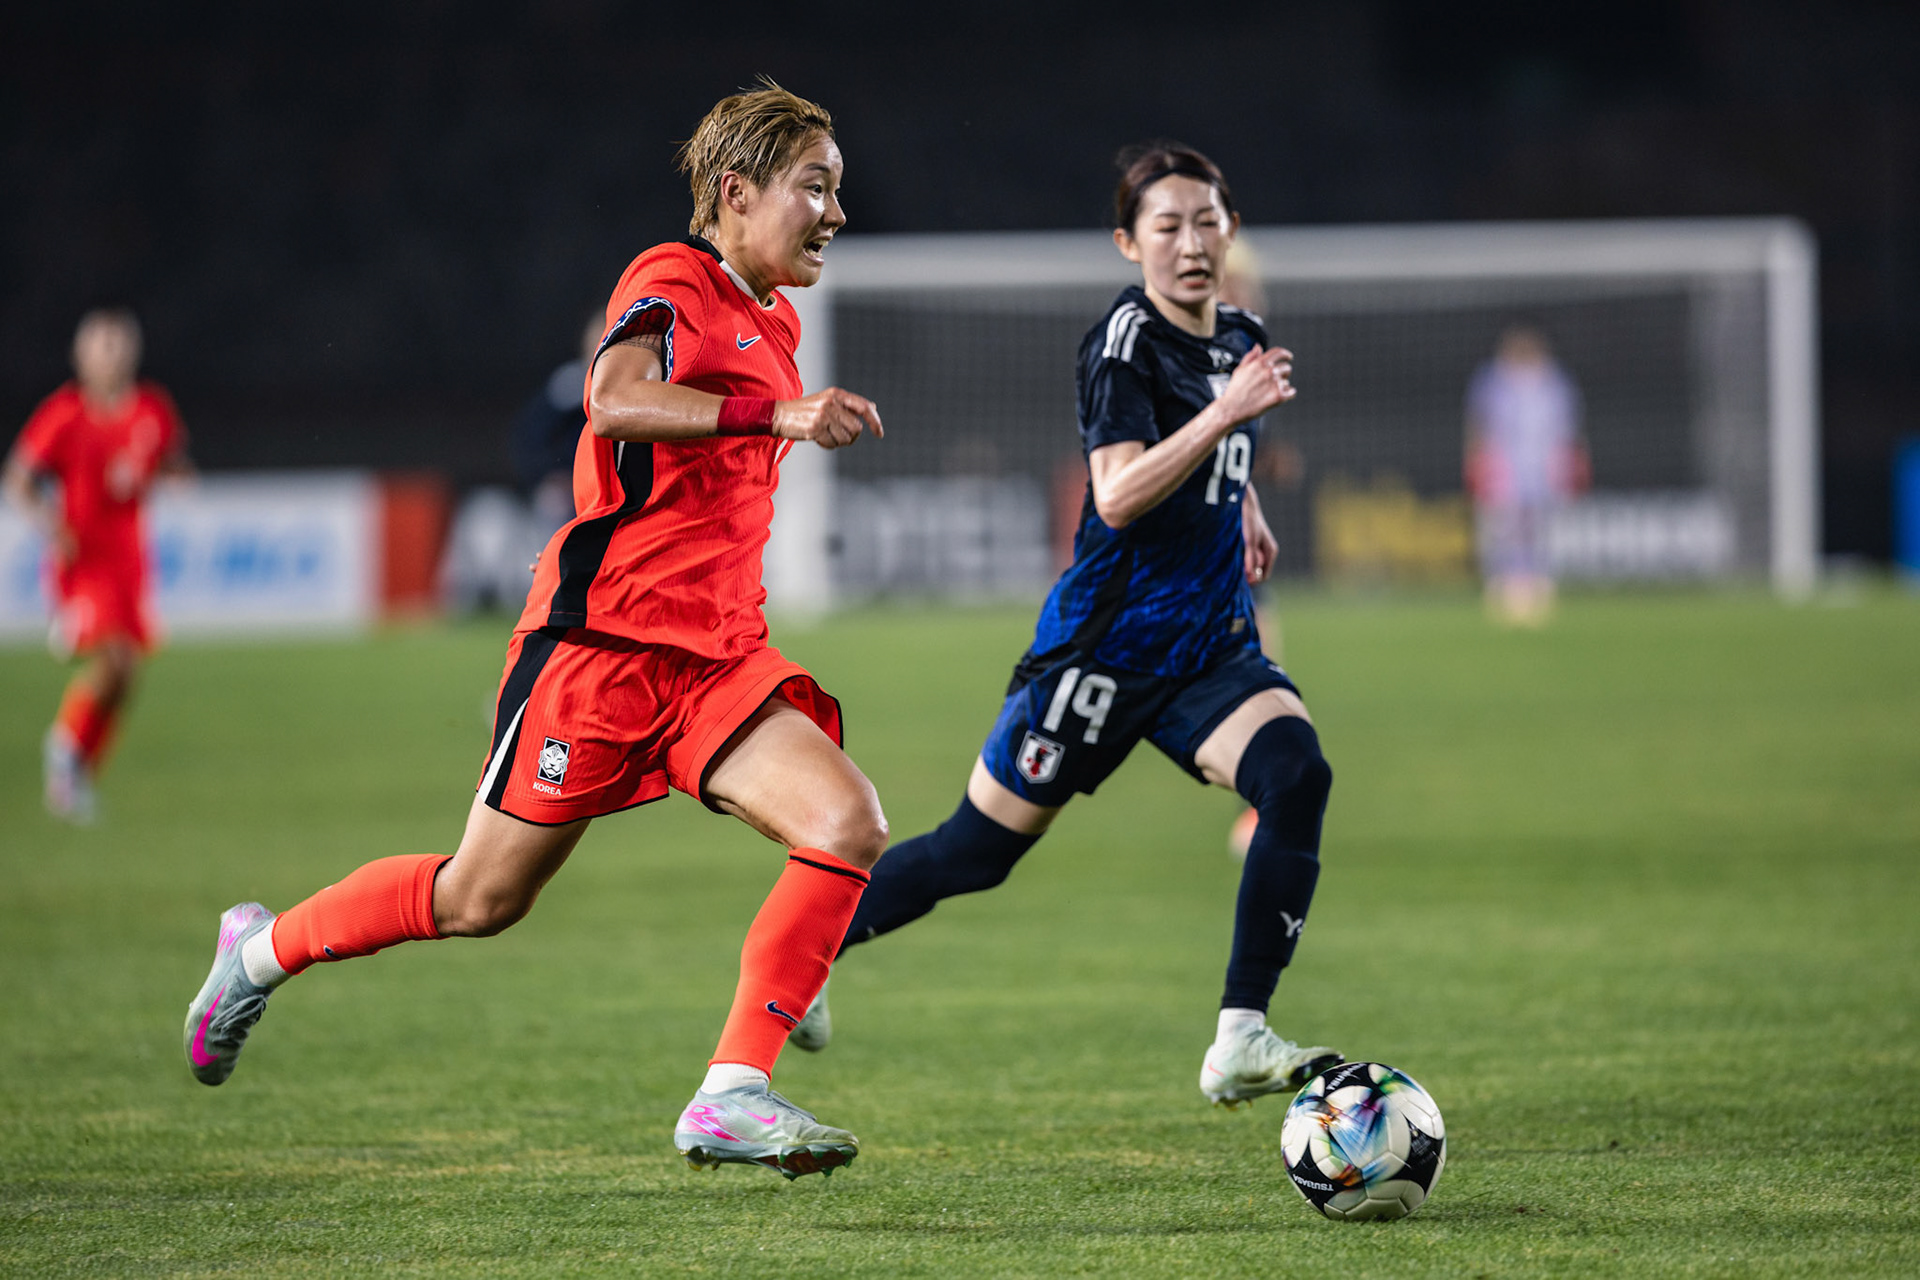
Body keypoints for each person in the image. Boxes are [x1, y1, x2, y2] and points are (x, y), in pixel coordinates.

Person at [182, 82, 890, 1180]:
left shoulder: (779, 320)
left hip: (716, 656)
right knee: (480, 897)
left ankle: (732, 1088)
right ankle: (258, 951)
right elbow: (614, 398)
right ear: (735, 192)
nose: (836, 211)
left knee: (845, 822)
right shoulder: (672, 279)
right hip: (600, 652)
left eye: (837, 188)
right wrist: (778, 412)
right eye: (816, 186)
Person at [794, 142, 1343, 1109]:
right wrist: (1225, 423)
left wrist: (1243, 501)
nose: (1189, 244)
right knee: (975, 852)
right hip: (1101, 653)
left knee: (1295, 773)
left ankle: (1241, 1035)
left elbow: (1227, 447)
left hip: (1208, 647)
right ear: (1129, 244)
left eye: (1206, 221)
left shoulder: (1239, 336)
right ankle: (804, 954)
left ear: (1231, 231)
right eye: (1166, 227)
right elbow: (1119, 493)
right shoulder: (1123, 345)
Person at [5, 308, 191, 824]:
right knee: (112, 656)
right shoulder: (63, 414)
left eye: (118, 344)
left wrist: (177, 477)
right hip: (82, 562)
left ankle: (78, 767)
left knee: (127, 674)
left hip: (131, 563)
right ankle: (64, 750)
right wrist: (49, 522)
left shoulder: (151, 409)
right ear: (80, 356)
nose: (110, 355)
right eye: (100, 345)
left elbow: (170, 459)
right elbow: (19, 479)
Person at [1464, 325, 1588, 626]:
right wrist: (1476, 460)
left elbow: (1568, 428)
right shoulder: (1492, 382)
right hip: (1504, 468)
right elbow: (1479, 424)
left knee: (1539, 526)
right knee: (1505, 526)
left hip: (1545, 467)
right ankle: (1503, 587)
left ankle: (1539, 587)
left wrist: (1573, 460)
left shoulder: (1556, 383)